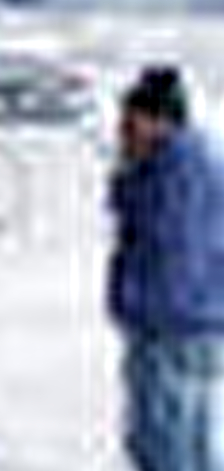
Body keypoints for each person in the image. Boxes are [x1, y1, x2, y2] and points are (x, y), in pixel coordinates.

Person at [108, 66, 224, 471]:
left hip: (166, 330)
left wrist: (126, 180)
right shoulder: (206, 159)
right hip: (203, 326)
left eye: (131, 122)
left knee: (162, 449)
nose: (123, 132)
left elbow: (156, 242)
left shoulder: (167, 169)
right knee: (194, 445)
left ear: (159, 118)